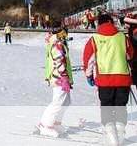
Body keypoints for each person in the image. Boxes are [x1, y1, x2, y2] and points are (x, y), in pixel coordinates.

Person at [83, 13, 133, 146]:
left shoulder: (94, 39)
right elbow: (130, 55)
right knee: (121, 106)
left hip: (104, 80)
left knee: (106, 107)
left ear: (99, 24)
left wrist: (88, 75)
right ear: (112, 22)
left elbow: (89, 60)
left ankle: (111, 136)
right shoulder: (122, 37)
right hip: (123, 79)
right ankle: (121, 134)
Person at [37, 24, 73, 138]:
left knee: (66, 101)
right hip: (59, 78)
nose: (66, 35)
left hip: (61, 77)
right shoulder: (57, 44)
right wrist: (64, 78)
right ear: (60, 33)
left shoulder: (59, 43)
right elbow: (59, 61)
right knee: (58, 102)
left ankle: (56, 122)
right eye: (65, 33)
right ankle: (45, 125)